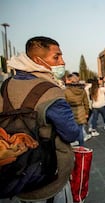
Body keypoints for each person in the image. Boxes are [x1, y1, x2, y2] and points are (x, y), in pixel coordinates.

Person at [4, 36, 80, 202]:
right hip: (48, 176)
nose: (63, 61)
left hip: (13, 172)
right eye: (56, 57)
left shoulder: (5, 86)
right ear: (38, 60)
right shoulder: (51, 91)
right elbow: (71, 133)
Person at [65, 73, 91, 146]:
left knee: (73, 129)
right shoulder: (82, 90)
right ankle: (81, 146)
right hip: (81, 110)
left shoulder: (66, 91)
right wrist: (86, 112)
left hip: (71, 111)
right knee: (80, 130)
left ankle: (75, 143)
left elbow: (65, 103)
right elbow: (86, 102)